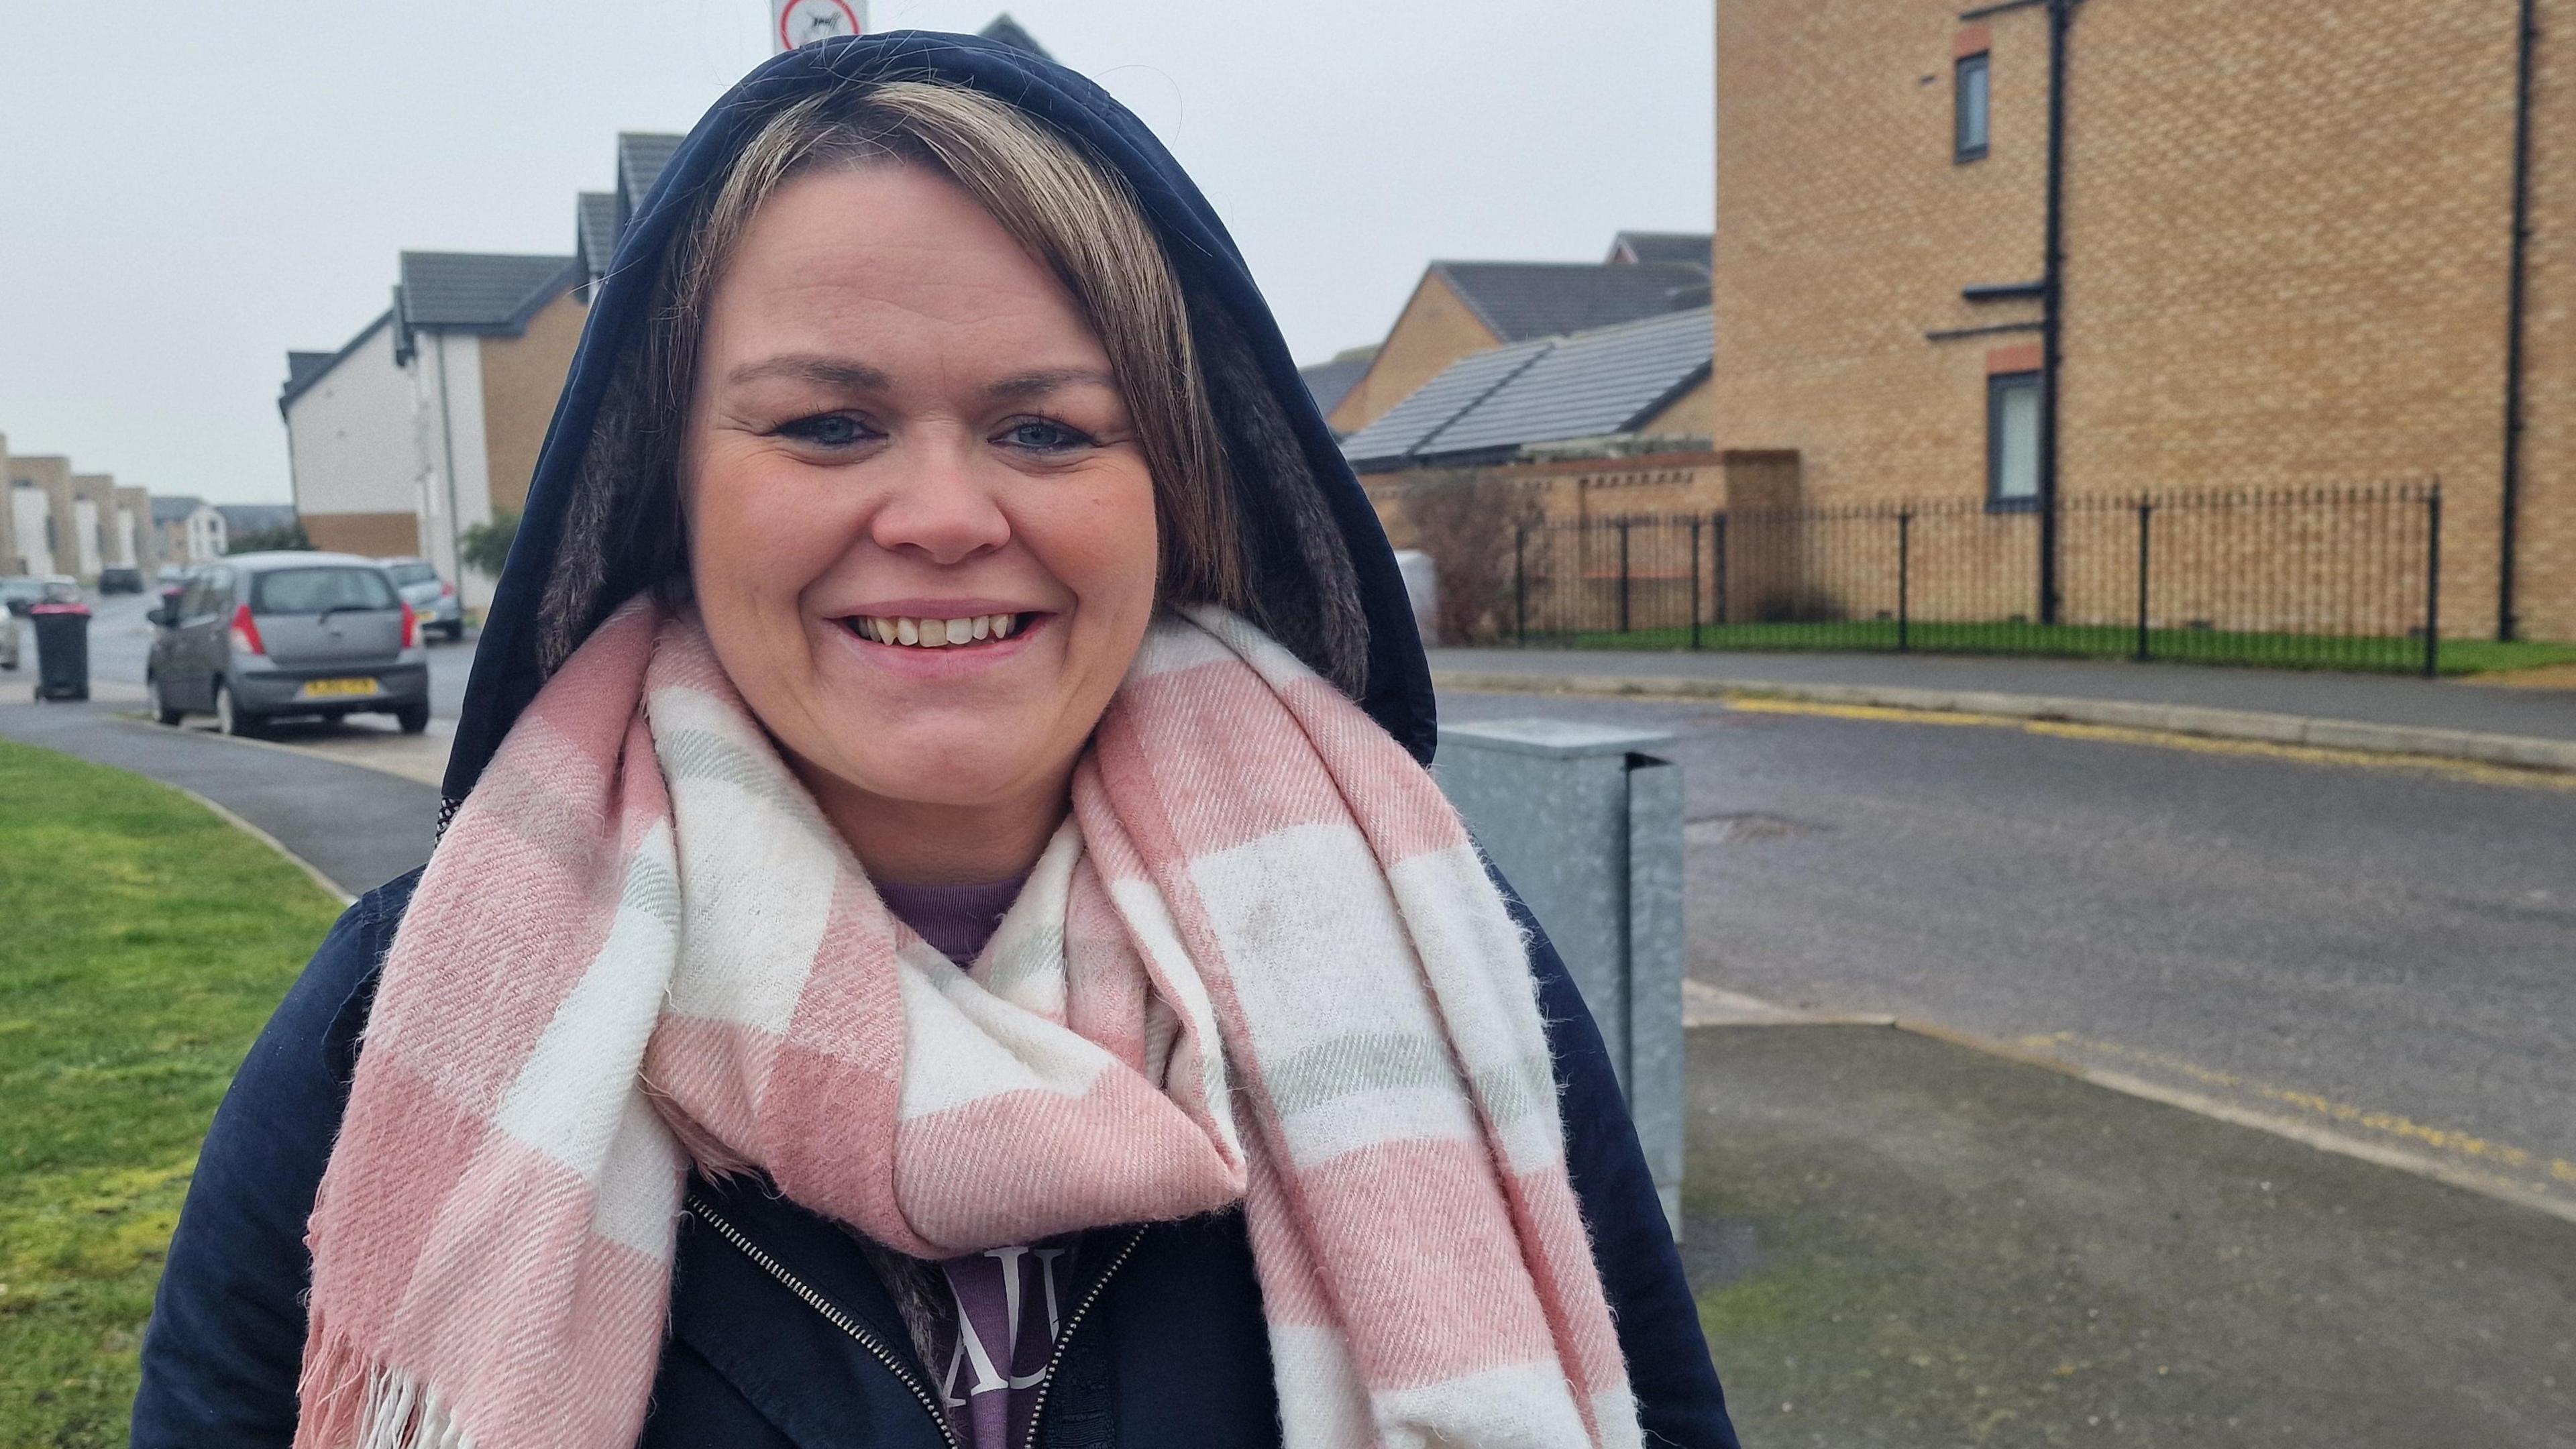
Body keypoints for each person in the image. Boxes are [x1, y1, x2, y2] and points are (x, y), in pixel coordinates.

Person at [131, 31, 1739, 1449]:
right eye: (828, 425)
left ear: (1171, 492)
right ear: (670, 492)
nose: (948, 517)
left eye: (1047, 428)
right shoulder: (394, 1024)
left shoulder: (1440, 960)